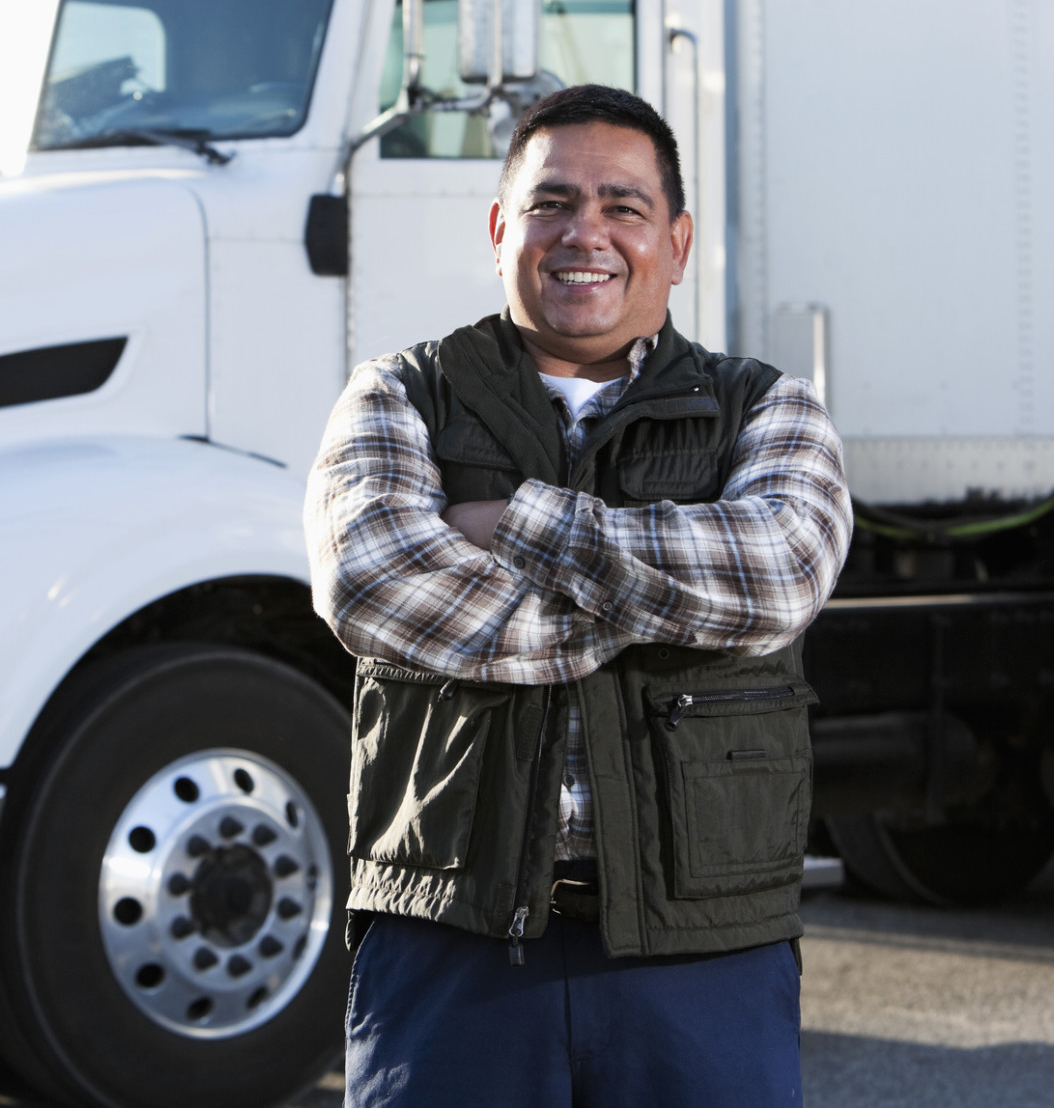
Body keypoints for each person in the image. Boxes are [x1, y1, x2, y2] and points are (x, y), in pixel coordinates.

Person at [305, 84, 852, 1107]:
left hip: (699, 951)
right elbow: (374, 584)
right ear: (498, 227)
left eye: (621, 206)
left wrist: (517, 522)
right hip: (448, 940)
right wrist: (660, 604)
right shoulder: (397, 394)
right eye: (550, 203)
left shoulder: (766, 409)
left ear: (676, 242)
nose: (582, 233)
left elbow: (773, 575)